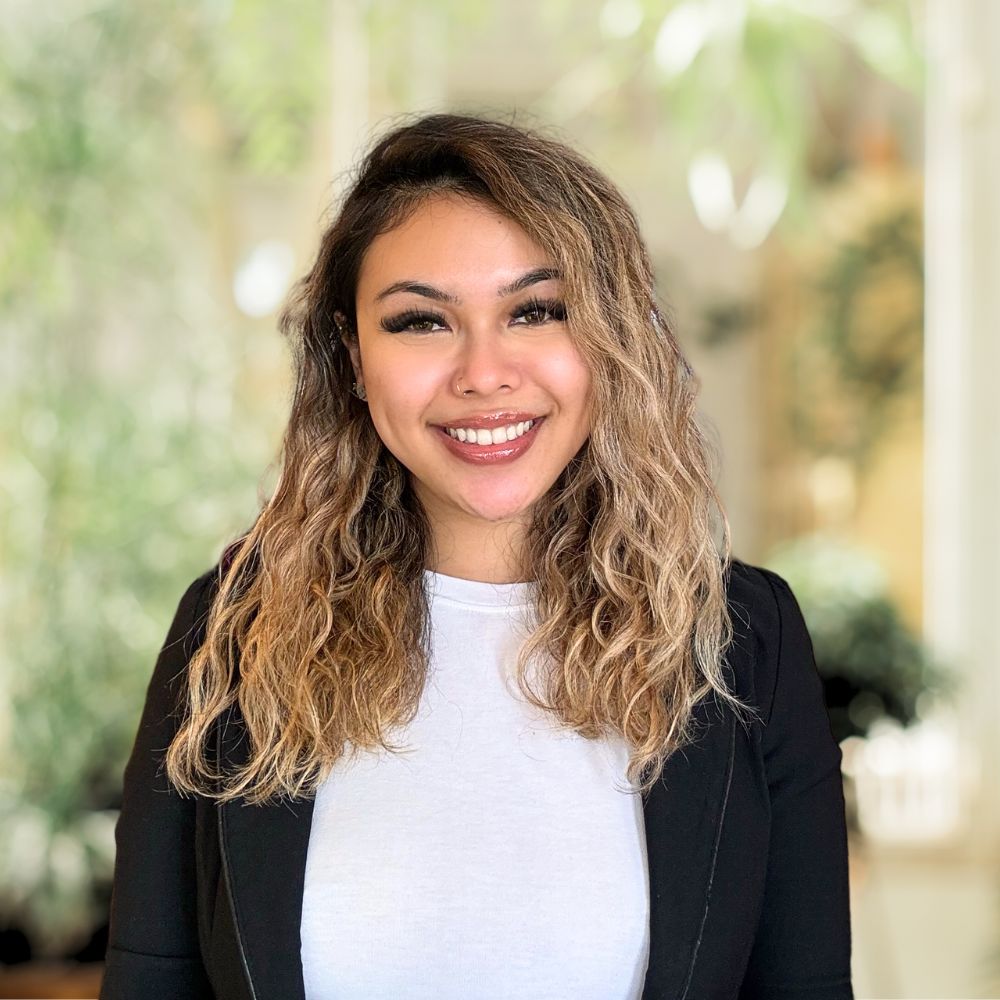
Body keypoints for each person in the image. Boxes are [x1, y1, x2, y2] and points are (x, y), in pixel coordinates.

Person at [99, 112, 853, 1000]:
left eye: (535, 311)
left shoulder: (743, 642)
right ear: (353, 357)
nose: (484, 373)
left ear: (609, 338)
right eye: (421, 323)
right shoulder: (234, 633)